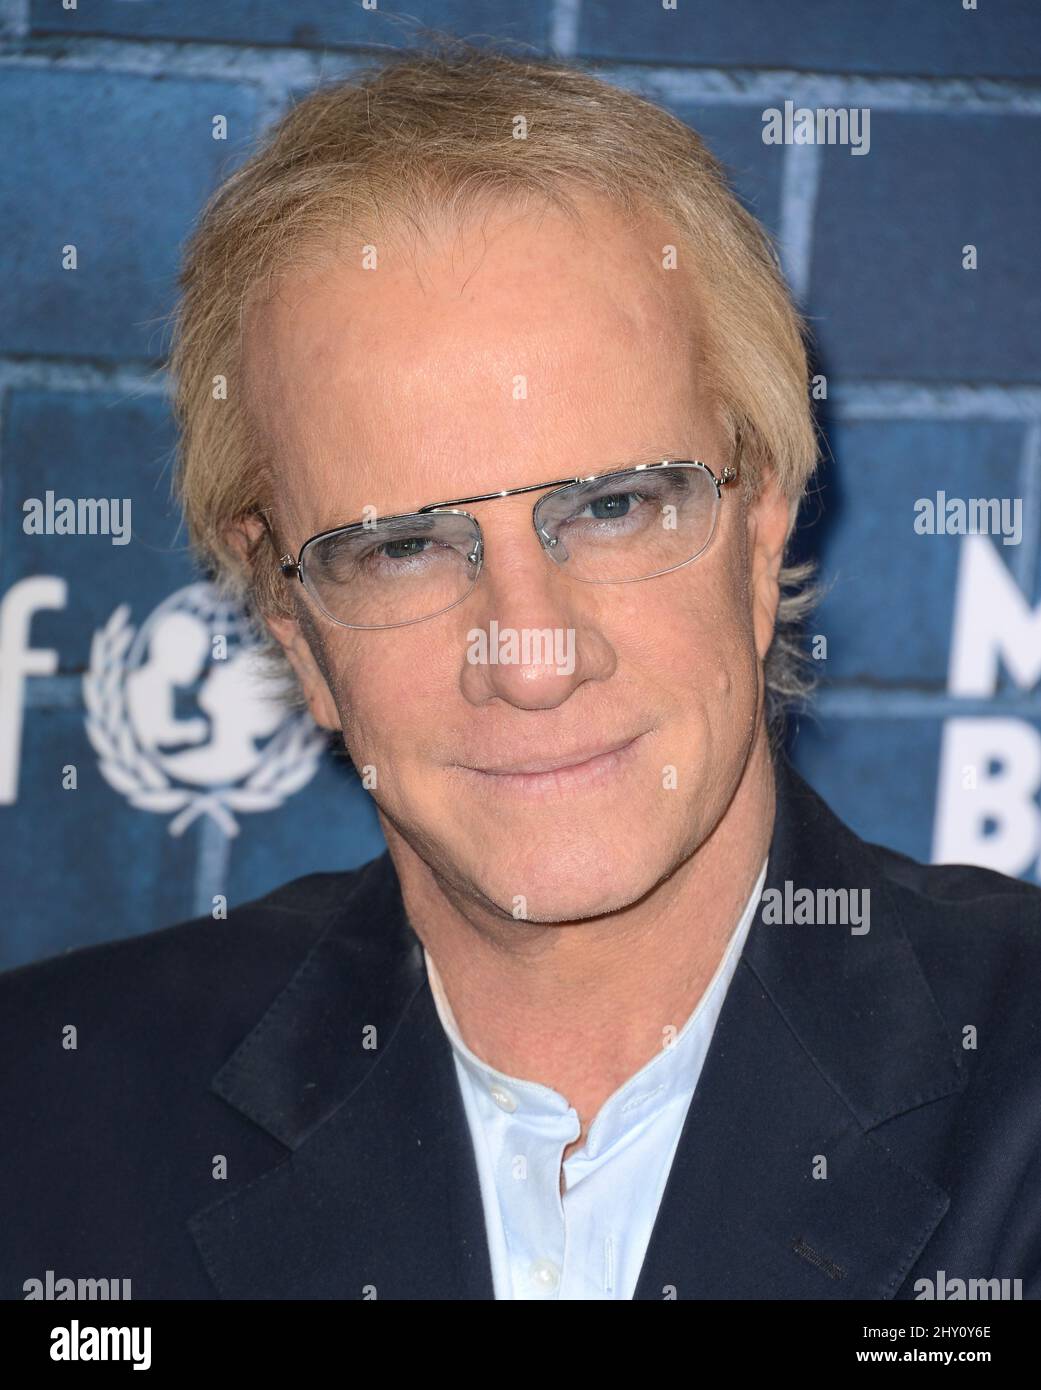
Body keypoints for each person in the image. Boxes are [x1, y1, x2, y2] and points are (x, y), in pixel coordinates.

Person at [3, 41, 1040, 1302]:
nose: (532, 660)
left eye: (612, 507)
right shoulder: (44, 1124)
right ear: (293, 624)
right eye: (401, 547)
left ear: (762, 523)